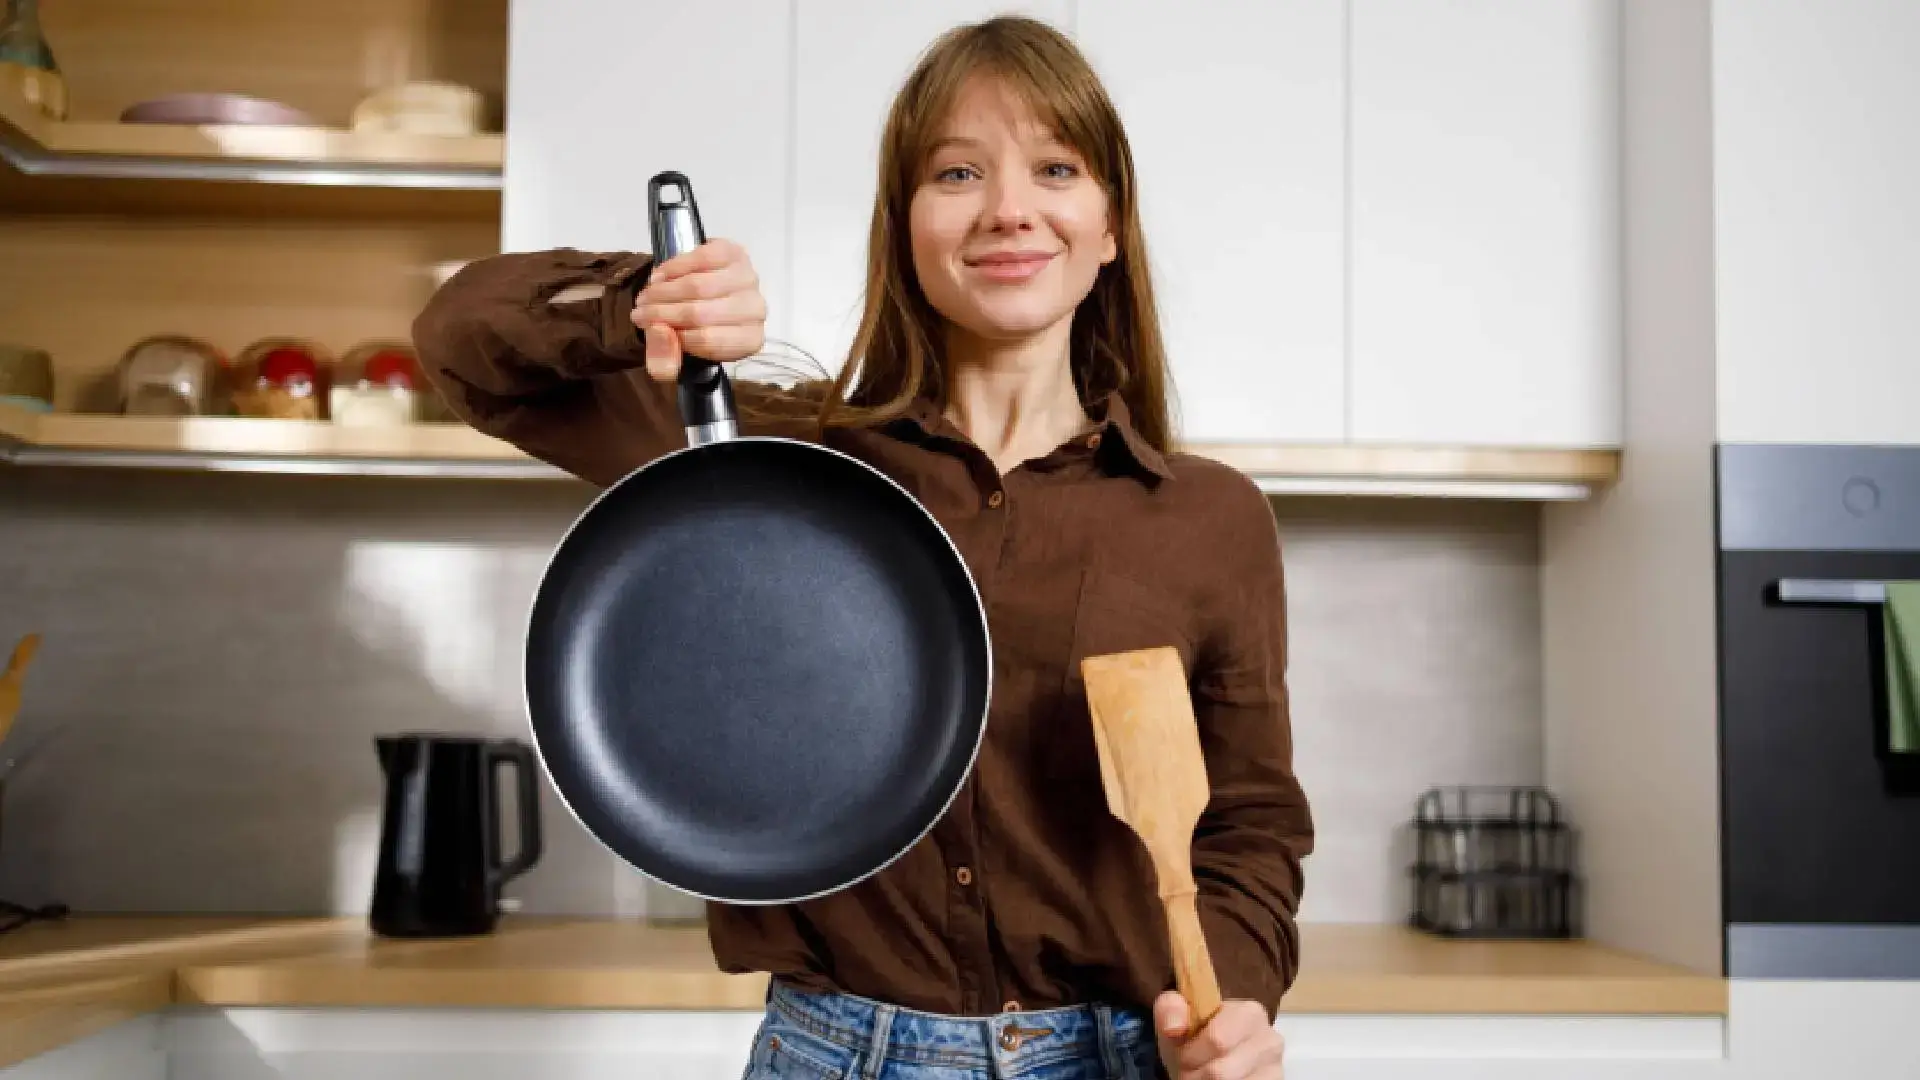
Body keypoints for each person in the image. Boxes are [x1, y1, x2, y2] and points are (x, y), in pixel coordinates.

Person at [412, 15, 1312, 1080]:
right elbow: (461, 342)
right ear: (906, 226)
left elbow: (1251, 833)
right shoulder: (766, 460)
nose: (1009, 210)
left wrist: (1233, 1003)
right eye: (958, 173)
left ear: (1110, 223)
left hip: (1119, 1058)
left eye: (1056, 167)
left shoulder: (1209, 519)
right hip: (836, 1052)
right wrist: (639, 305)